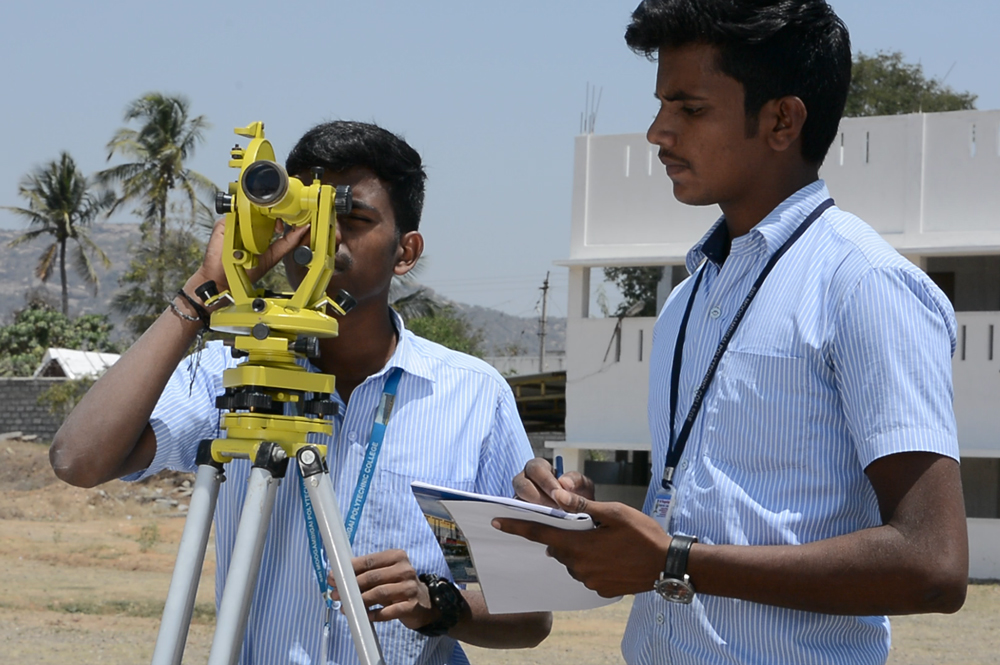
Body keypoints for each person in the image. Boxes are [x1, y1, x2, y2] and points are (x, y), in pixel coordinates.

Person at [496, 1, 969, 663]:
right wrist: (590, 521)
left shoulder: (864, 285)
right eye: (661, 106)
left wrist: (675, 559)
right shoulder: (689, 298)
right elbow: (705, 522)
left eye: (690, 109)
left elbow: (933, 562)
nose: (658, 132)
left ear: (781, 121)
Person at [50, 120, 551, 665]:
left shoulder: (472, 396)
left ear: (405, 252)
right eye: (302, 218)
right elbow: (79, 459)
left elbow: (530, 613)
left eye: (352, 219)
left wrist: (436, 603)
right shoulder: (232, 374)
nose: (323, 239)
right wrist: (203, 289)